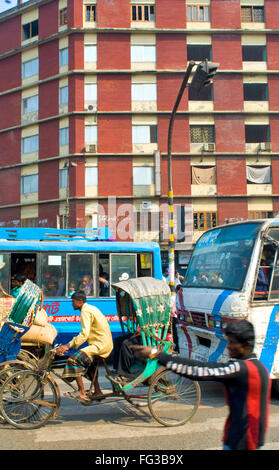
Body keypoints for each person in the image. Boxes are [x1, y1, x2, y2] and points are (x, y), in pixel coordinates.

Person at [132, 320, 271, 451]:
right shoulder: (259, 368)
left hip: (242, 441)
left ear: (246, 345)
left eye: (232, 343)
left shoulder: (241, 369)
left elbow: (198, 370)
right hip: (251, 438)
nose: (228, 346)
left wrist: (156, 354)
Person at [57, 290, 113, 402]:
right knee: (89, 364)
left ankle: (81, 391)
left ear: (80, 301)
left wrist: (68, 346)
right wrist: (70, 344)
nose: (72, 304)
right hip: (103, 344)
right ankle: (97, 390)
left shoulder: (86, 311)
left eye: (73, 301)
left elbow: (84, 334)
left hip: (100, 346)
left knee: (74, 360)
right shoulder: (90, 308)